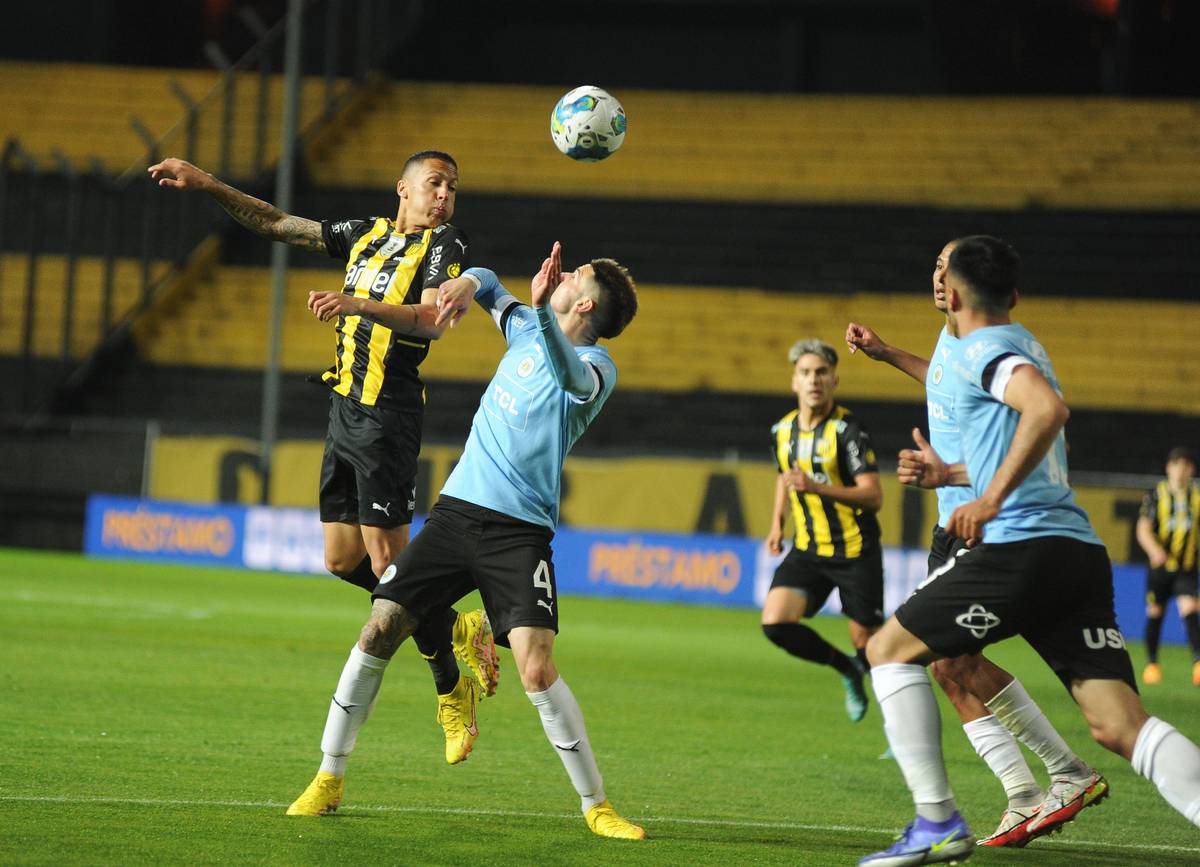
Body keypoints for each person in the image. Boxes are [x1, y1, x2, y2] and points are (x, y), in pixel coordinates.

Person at [285, 241, 646, 840]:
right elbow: (483, 280)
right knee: (380, 626)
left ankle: (596, 805)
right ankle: (329, 776)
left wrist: (535, 312)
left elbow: (567, 373)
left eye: (577, 274)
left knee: (535, 667)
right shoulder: (528, 325)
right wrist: (466, 285)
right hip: (455, 515)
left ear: (583, 303)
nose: (566, 272)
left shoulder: (596, 367)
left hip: (519, 533)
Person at [858, 235, 1200, 866]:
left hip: (1017, 546)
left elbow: (1047, 409)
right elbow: (1024, 436)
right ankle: (1048, 783)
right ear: (1012, 295)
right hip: (1074, 553)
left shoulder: (984, 347)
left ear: (955, 293)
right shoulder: (1017, 342)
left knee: (887, 651)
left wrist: (987, 503)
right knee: (1120, 725)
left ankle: (937, 821)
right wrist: (953, 477)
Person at [147, 153, 498, 764]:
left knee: (391, 566)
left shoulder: (445, 243)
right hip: (343, 409)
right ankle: (457, 623)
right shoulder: (364, 234)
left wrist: (358, 305)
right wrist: (206, 183)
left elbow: (433, 322)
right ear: (403, 187)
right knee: (342, 560)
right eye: (433, 183)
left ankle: (452, 688)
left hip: (388, 413)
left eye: (452, 187)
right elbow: (281, 223)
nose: (443, 195)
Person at [846, 240, 1106, 848]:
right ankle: (1023, 793)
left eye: (948, 268)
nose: (939, 276)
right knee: (946, 666)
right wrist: (887, 354)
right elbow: (937, 381)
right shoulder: (952, 342)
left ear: (965, 284)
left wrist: (959, 482)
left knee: (944, 657)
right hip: (952, 523)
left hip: (984, 524)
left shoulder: (984, 344)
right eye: (934, 265)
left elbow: (1024, 426)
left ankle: (1065, 773)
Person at [762, 339, 883, 723]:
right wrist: (776, 523)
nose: (814, 380)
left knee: (869, 645)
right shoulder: (781, 430)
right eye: (806, 373)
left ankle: (898, 726)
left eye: (821, 373)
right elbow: (786, 476)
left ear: (834, 380)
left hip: (854, 550)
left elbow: (873, 496)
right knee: (776, 623)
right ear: (794, 382)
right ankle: (845, 669)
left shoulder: (848, 431)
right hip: (809, 548)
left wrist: (817, 487)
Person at [1137, 446, 1200, 686]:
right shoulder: (1156, 495)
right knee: (1155, 614)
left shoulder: (1197, 497)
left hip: (1186, 568)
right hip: (1160, 569)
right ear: (1168, 468)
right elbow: (1143, 528)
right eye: (1176, 465)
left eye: (1186, 466)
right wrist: (1155, 550)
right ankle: (1152, 664)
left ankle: (1197, 664)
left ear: (1191, 469)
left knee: (1190, 609)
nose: (1181, 470)